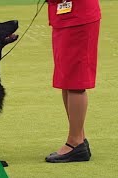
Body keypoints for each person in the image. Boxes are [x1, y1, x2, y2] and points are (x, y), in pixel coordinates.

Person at [45, 0, 101, 163]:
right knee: (67, 80)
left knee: (76, 81)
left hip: (77, 17)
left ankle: (75, 142)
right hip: (66, 16)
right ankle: (79, 138)